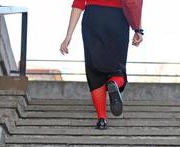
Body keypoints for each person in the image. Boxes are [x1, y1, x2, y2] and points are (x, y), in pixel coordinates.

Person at [60, 0, 143, 130]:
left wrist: (68, 35)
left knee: (94, 72)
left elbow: (79, 3)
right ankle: (114, 83)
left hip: (93, 19)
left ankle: (102, 118)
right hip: (118, 19)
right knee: (117, 68)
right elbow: (133, 2)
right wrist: (138, 29)